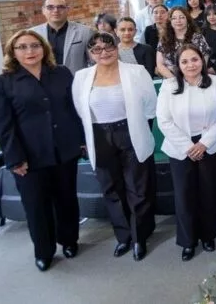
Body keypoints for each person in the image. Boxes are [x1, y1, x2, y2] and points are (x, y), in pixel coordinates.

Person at [0, 30, 84, 271]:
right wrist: (14, 159)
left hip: (64, 150)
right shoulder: (3, 82)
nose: (30, 51)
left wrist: (81, 140)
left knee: (66, 199)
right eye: (22, 47)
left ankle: (69, 240)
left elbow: (73, 109)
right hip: (28, 157)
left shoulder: (61, 73)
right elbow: (3, 126)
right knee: (36, 206)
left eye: (35, 45)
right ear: (13, 52)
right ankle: (44, 251)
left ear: (44, 48)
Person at [72, 32, 157, 261]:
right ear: (90, 54)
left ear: (117, 48)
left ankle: (140, 237)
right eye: (97, 49)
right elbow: (80, 109)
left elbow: (150, 106)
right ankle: (124, 237)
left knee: (138, 188)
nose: (104, 52)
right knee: (111, 189)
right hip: (99, 136)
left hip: (131, 132)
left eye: (108, 47)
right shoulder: (81, 77)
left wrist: (140, 128)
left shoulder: (136, 72)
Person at [156, 45, 216, 261]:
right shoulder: (168, 86)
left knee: (209, 192)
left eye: (195, 59)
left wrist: (204, 143)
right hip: (180, 147)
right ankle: (188, 241)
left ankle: (208, 236)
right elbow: (164, 120)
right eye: (185, 61)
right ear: (178, 65)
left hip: (209, 144)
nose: (191, 65)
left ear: (202, 61)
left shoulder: (215, 82)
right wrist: (188, 146)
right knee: (184, 194)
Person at [30, 0, 93, 74]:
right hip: (43, 82)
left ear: (67, 10)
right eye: (50, 7)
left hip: (75, 82)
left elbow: (94, 61)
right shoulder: (33, 33)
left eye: (60, 7)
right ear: (43, 10)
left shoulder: (85, 32)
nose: (56, 10)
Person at [156, 7, 211, 78]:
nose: (178, 20)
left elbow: (204, 61)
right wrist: (175, 80)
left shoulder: (198, 37)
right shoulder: (164, 39)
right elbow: (160, 64)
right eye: (174, 18)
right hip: (171, 78)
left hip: (195, 77)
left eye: (181, 17)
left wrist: (191, 78)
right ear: (170, 22)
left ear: (187, 20)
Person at [201, 4, 216, 74]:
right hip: (206, 66)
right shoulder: (202, 31)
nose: (212, 17)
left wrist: (215, 67)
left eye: (215, 14)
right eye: (208, 14)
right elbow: (202, 51)